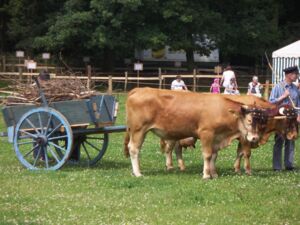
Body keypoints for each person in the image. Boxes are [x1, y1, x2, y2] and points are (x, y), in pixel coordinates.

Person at [269, 65, 300, 171]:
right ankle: (277, 167)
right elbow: (271, 102)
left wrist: (299, 114)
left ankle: (289, 164)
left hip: (293, 119)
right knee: (279, 141)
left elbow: (298, 103)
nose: (297, 76)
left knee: (291, 141)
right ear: (288, 75)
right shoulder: (278, 87)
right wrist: (283, 97)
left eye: (297, 74)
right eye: (295, 74)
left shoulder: (295, 88)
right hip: (281, 119)